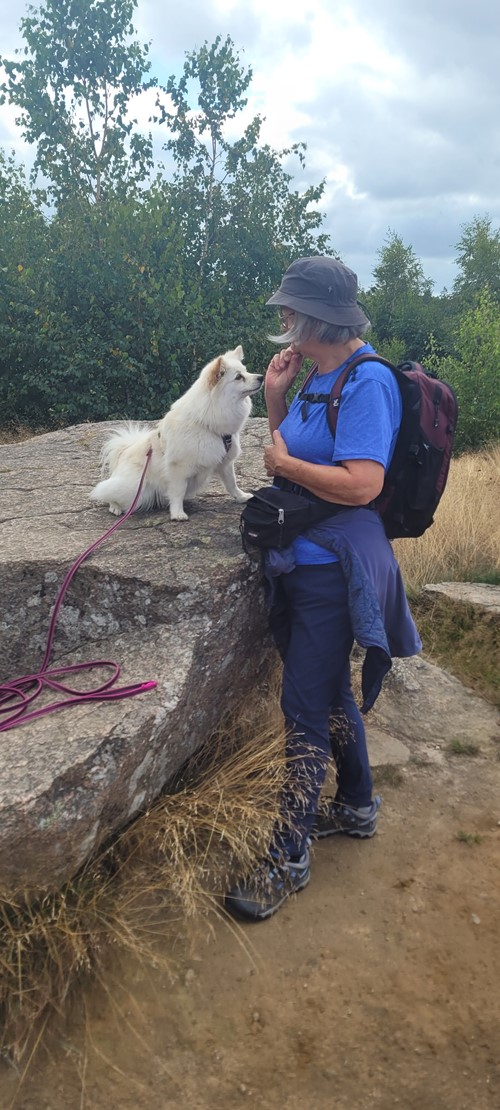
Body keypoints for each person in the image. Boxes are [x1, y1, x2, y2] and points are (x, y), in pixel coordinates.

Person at [225, 257, 422, 922]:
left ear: (318, 316)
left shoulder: (367, 381)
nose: (281, 319)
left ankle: (288, 854)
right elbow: (289, 458)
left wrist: (283, 462)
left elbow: (362, 483)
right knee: (331, 692)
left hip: (337, 571)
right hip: (305, 562)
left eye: (289, 309)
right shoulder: (317, 373)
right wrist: (276, 402)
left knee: (304, 706)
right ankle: (358, 808)